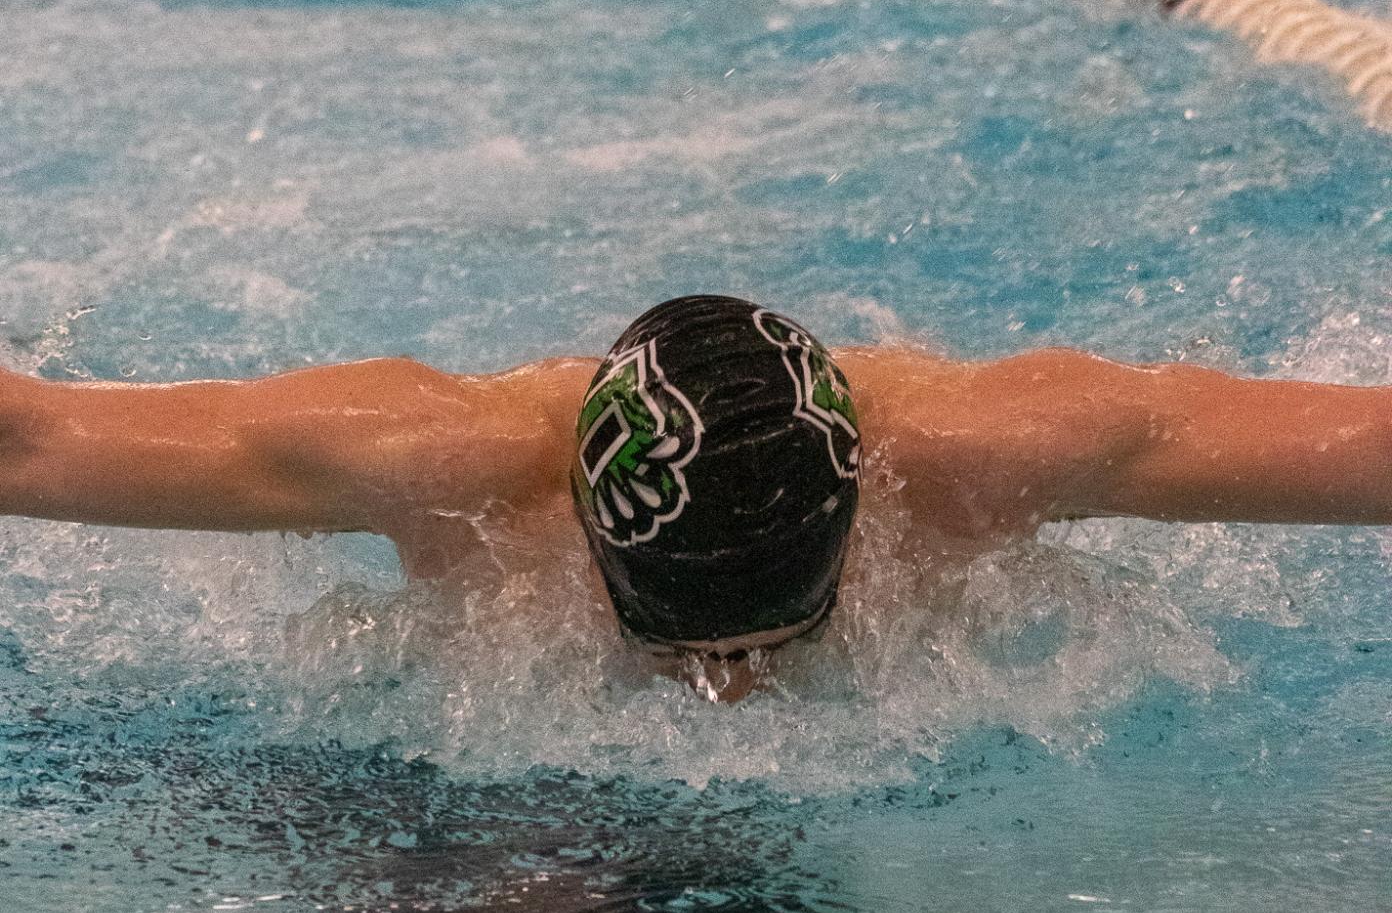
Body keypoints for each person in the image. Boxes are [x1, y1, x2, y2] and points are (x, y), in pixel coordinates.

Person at [1, 291, 1387, 697]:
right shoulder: (450, 467)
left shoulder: (986, 453)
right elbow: (34, 442)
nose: (729, 692)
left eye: (778, 640)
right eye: (674, 647)